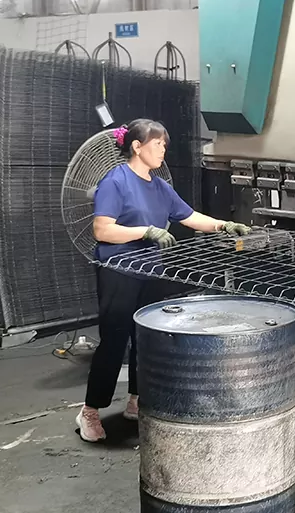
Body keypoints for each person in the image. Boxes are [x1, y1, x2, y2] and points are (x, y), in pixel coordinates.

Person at [76, 118, 252, 442]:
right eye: (157, 144)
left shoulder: (160, 187)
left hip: (150, 271)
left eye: (164, 145)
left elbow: (189, 217)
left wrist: (223, 225)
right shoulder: (115, 182)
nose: (162, 150)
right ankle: (90, 411)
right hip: (119, 271)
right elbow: (103, 230)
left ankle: (136, 400)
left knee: (146, 338)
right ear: (137, 146)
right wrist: (146, 231)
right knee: (114, 341)